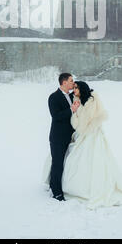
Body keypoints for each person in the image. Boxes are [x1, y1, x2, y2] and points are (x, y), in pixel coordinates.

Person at [43, 80, 122, 209]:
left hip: (92, 135)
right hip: (79, 135)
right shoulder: (74, 99)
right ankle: (60, 186)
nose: (74, 89)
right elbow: (75, 120)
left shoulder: (92, 100)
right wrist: (75, 112)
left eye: (76, 87)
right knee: (71, 160)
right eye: (73, 85)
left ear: (82, 89)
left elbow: (87, 121)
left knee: (93, 161)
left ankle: (90, 188)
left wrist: (77, 117)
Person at [46, 73, 79, 201]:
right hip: (58, 138)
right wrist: (71, 110)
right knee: (57, 164)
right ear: (64, 82)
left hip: (70, 137)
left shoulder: (72, 96)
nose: (73, 83)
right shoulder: (53, 97)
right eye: (71, 81)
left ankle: (58, 185)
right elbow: (56, 116)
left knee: (67, 164)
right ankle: (57, 192)